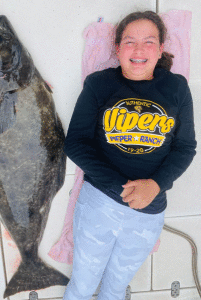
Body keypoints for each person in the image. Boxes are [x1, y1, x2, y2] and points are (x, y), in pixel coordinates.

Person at [63, 10, 197, 300]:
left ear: (161, 49)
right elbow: (75, 142)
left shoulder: (176, 88)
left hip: (148, 211)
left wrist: (155, 185)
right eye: (129, 41)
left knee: (115, 289)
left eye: (149, 42)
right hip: (100, 202)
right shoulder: (100, 83)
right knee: (83, 287)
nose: (138, 50)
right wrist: (120, 185)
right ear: (118, 48)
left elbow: (185, 147)